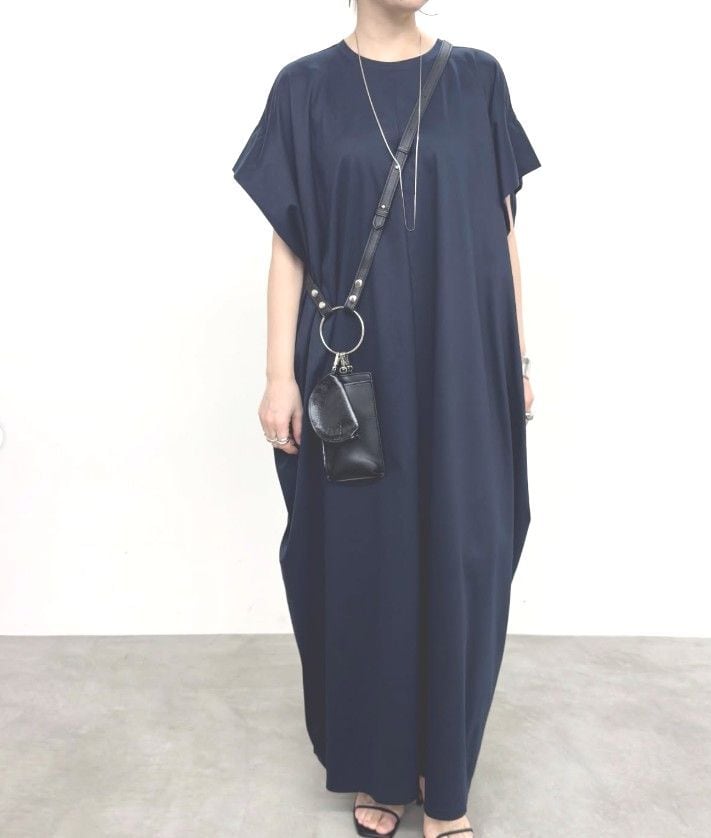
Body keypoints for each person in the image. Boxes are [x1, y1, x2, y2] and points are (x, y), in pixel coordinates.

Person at [232, 1, 540, 835]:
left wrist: (515, 359)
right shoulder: (304, 89)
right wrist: (277, 376)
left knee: (466, 555)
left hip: (462, 361)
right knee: (365, 560)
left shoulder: (478, 79)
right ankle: (380, 761)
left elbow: (504, 231)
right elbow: (289, 243)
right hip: (358, 371)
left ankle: (446, 777)